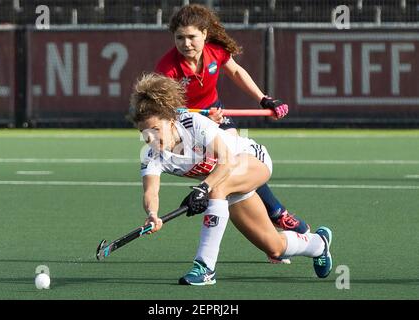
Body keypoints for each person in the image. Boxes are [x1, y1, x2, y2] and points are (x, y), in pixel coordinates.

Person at [129, 73, 333, 285]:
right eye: (144, 134)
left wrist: (203, 188)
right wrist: (153, 214)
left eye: (155, 129)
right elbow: (151, 192)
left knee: (216, 190)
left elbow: (226, 160)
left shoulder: (192, 123)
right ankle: (318, 244)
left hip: (249, 160)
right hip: (227, 184)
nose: (151, 138)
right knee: (275, 247)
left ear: (171, 121)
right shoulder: (151, 155)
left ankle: (205, 267)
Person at [155, 4, 309, 248]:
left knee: (239, 162)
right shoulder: (168, 68)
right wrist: (193, 118)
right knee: (226, 178)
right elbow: (164, 111)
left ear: (205, 34)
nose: (186, 44)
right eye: (180, 38)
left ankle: (278, 216)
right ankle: (275, 227)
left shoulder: (215, 52)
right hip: (186, 124)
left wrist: (264, 99)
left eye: (192, 37)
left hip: (215, 111)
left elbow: (236, 73)